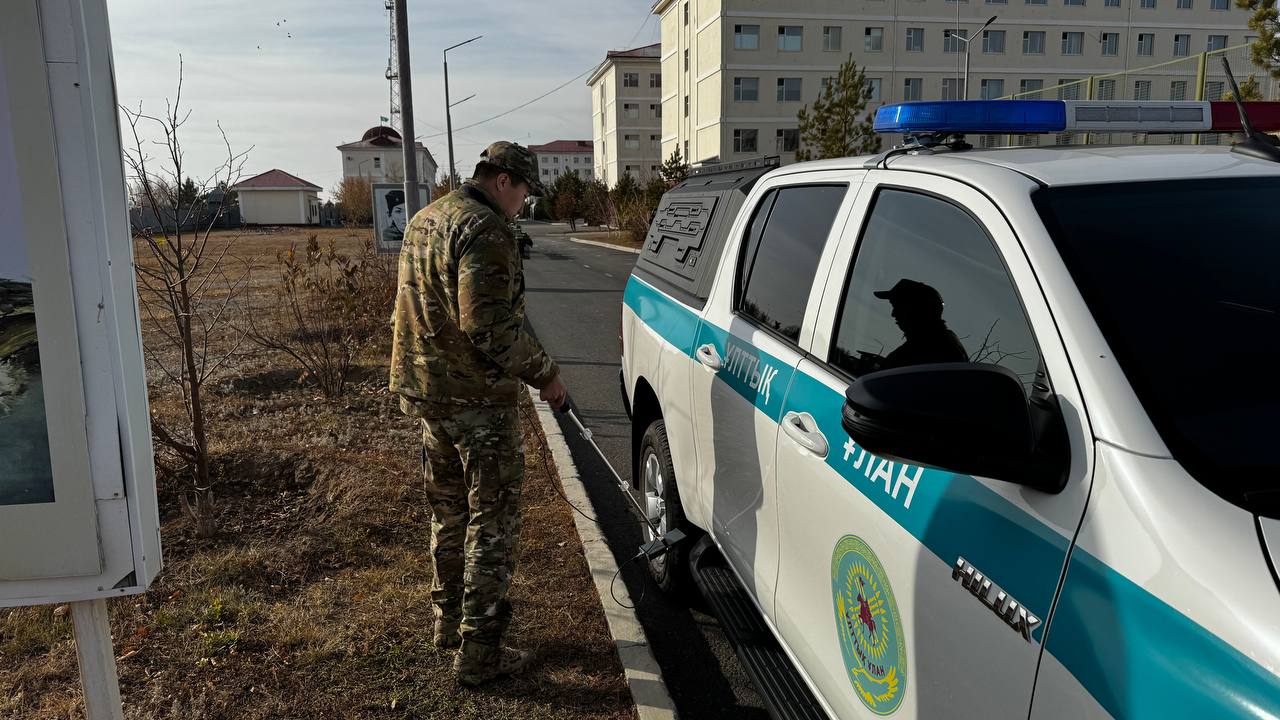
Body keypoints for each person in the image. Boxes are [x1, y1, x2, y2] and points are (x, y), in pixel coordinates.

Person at [388, 141, 568, 686]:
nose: (524, 205)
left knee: (448, 513)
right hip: (476, 405)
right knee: (492, 525)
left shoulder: (426, 218)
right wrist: (546, 374)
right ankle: (480, 655)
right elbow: (488, 327)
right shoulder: (486, 230)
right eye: (525, 193)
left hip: (426, 393)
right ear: (503, 181)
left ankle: (447, 624)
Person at [874, 279, 968, 369]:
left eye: (899, 307)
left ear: (919, 310)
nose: (893, 314)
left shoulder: (937, 348)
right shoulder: (921, 344)